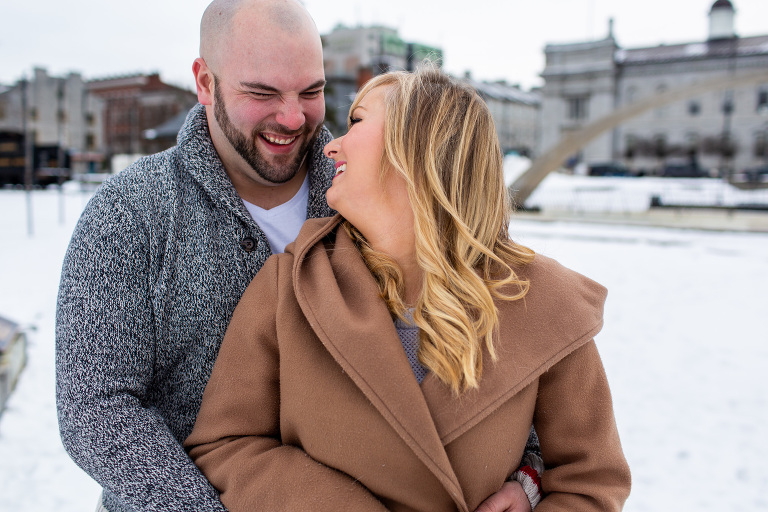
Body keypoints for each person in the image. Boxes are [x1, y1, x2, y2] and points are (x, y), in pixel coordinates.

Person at [55, 0, 537, 510]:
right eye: (261, 92)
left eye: (312, 92)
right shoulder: (131, 212)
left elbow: (484, 333)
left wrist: (526, 469)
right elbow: (96, 410)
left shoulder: (371, 192)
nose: (292, 117)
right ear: (205, 83)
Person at [184, 68, 632, 511]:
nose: (330, 145)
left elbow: (590, 483)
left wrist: (532, 486)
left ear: (417, 145)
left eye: (357, 122)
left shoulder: (543, 302)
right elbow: (224, 445)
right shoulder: (286, 288)